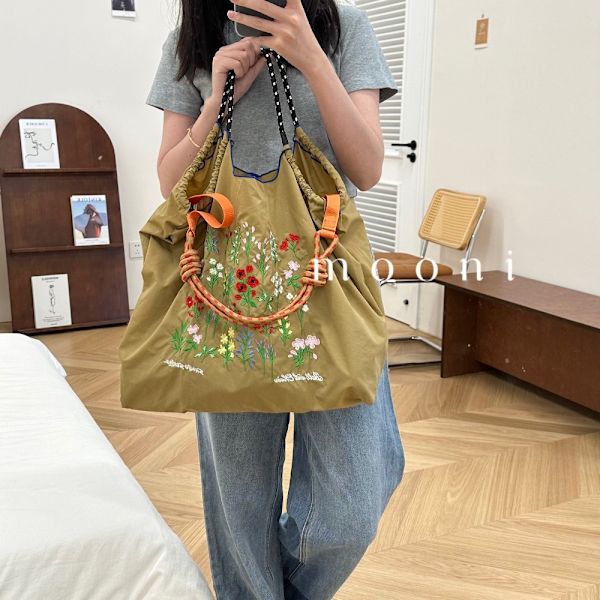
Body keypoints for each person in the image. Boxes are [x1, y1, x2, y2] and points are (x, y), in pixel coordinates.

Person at [145, 1, 406, 598]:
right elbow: (170, 183)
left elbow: (366, 169)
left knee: (352, 505)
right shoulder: (193, 36)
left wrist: (312, 57)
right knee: (239, 502)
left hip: (330, 280)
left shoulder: (344, 27)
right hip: (226, 287)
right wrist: (218, 100)